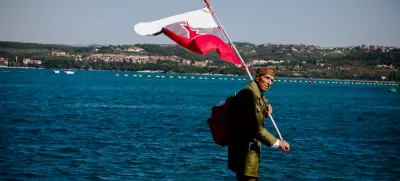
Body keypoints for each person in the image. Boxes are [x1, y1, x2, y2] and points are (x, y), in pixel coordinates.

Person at [228, 66, 290, 181]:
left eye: (272, 80)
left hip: (251, 156)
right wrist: (277, 142)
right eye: (266, 78)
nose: (269, 83)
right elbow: (253, 127)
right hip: (244, 156)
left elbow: (254, 121)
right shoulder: (248, 94)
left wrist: (264, 115)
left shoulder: (258, 95)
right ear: (257, 77)